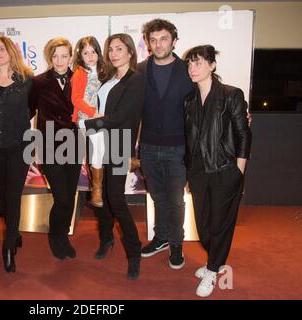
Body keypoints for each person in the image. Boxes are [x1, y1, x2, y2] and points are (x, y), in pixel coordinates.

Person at [183, 45, 251, 297]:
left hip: (225, 169)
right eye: (190, 64)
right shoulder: (189, 100)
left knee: (220, 223)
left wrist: (239, 170)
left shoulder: (231, 95)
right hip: (198, 171)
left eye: (198, 63)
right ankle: (217, 258)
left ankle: (213, 269)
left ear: (212, 65)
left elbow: (243, 132)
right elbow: (188, 137)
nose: (193, 68)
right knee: (203, 224)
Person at [81, 33, 145, 280]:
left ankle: (134, 252)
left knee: (116, 198)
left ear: (130, 52)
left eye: (120, 49)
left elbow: (121, 117)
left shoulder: (136, 80)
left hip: (118, 143)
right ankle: (107, 239)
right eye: (111, 49)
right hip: (99, 143)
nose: (114, 53)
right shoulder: (107, 77)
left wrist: (88, 125)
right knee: (100, 196)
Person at [138, 19, 195, 269]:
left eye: (163, 39)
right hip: (148, 147)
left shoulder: (188, 70)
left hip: (178, 148)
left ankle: (176, 243)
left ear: (174, 40)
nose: (158, 44)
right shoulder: (139, 70)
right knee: (157, 197)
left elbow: (209, 96)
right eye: (153, 39)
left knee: (175, 199)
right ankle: (160, 237)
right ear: (148, 43)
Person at [0, 35, 33, 273]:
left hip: (20, 147)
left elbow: (33, 109)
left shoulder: (27, 80)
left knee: (13, 195)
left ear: (11, 50)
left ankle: (9, 246)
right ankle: (16, 231)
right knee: (3, 195)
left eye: (1, 49)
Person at [29, 37, 82, 260]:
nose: (59, 60)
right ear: (50, 58)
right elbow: (28, 111)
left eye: (64, 55)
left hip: (74, 145)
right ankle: (55, 236)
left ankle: (64, 236)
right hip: (50, 147)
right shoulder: (39, 82)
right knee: (61, 197)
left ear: (71, 57)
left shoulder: (82, 80)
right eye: (55, 56)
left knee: (69, 196)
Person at [71, 36, 106, 207]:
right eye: (86, 53)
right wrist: (93, 112)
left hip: (103, 117)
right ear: (80, 56)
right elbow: (75, 98)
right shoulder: (79, 73)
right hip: (86, 118)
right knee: (98, 146)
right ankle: (97, 189)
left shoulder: (105, 71)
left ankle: (131, 160)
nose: (90, 56)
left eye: (93, 51)